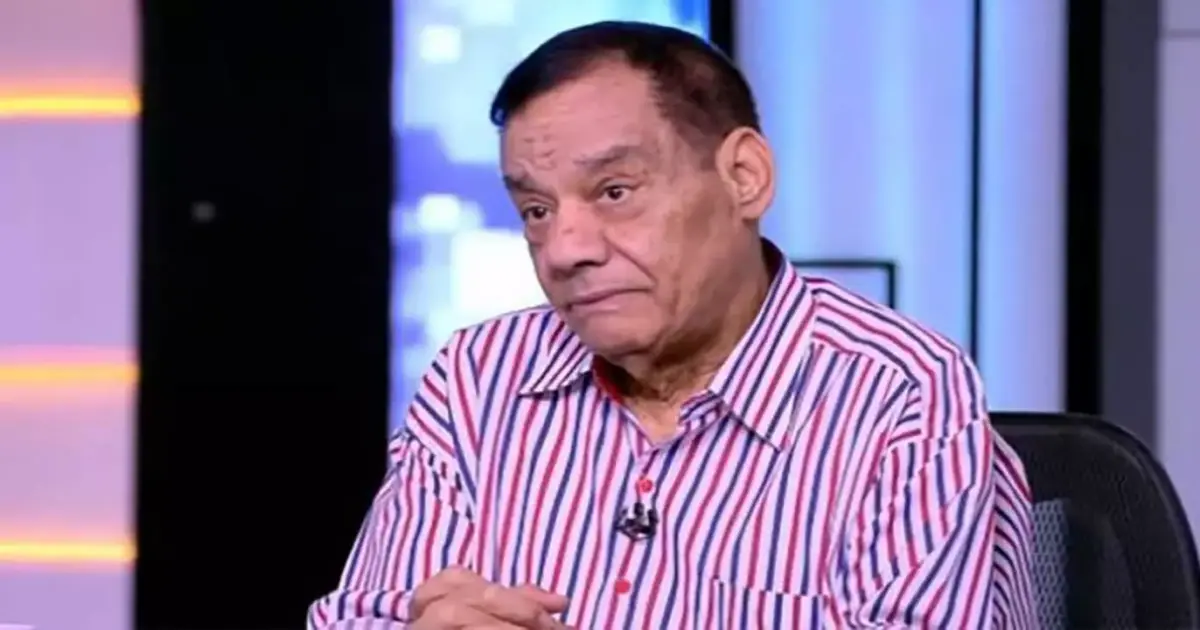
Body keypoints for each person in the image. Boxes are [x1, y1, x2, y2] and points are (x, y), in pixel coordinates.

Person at [308, 20, 1037, 629]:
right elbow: (362, 614)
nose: (564, 250)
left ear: (744, 177)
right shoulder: (479, 375)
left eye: (614, 191)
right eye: (536, 210)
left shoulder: (901, 392)